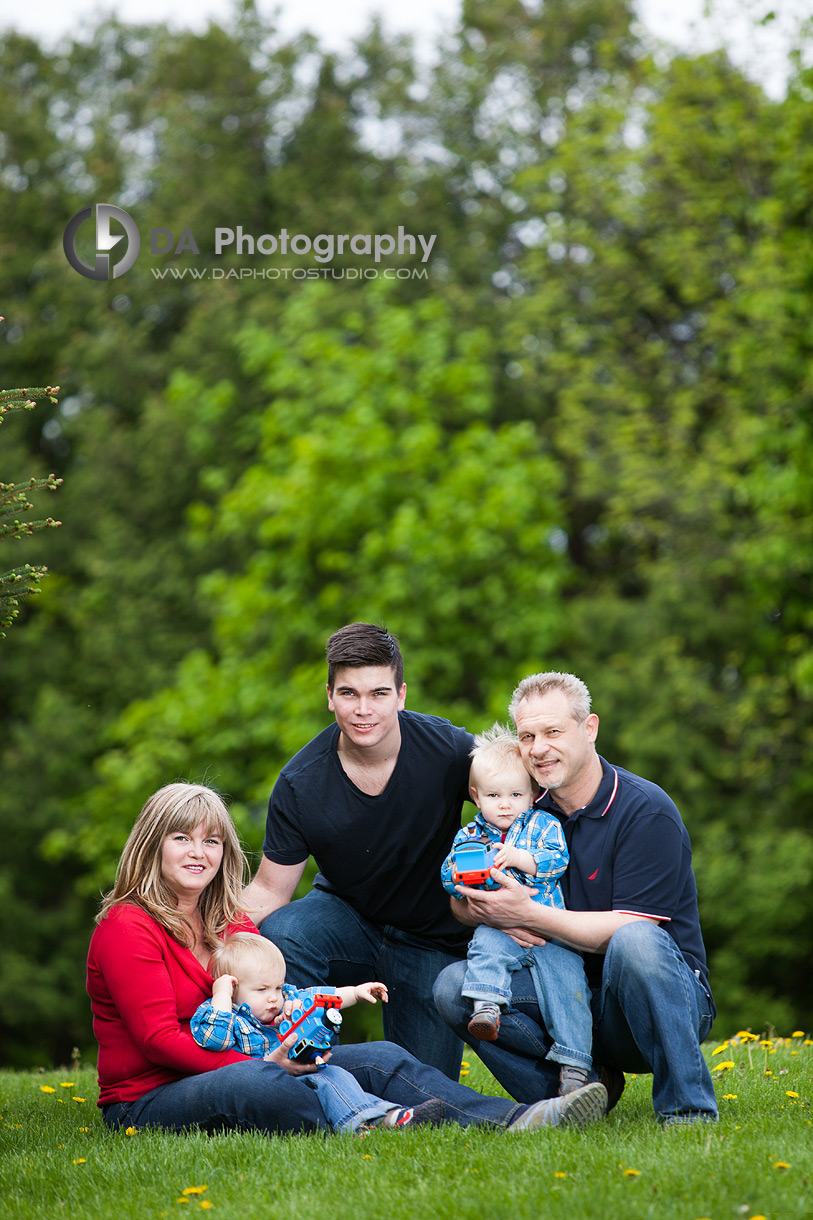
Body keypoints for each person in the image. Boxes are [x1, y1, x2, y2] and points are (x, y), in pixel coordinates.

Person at [87, 781, 609, 1136]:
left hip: (255, 1061)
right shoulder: (128, 927)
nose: (199, 852)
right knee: (261, 1083)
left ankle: (523, 1119)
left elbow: (279, 999)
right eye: (181, 839)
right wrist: (268, 1062)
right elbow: (159, 1041)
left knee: (381, 1054)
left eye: (212, 841)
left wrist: (301, 1030)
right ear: (153, 847)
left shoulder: (230, 922)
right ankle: (389, 1120)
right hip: (152, 1096)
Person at [433, 672, 718, 1128]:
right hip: (566, 996)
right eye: (527, 736)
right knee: (453, 987)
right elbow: (464, 898)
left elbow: (627, 930)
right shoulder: (521, 810)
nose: (539, 748)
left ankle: (688, 1110)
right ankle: (573, 1097)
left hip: (651, 1003)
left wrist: (530, 914)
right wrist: (483, 909)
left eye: (553, 732)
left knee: (636, 939)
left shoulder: (645, 810)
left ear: (589, 729)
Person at [243, 623, 476, 1078]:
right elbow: (269, 891)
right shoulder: (300, 783)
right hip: (347, 919)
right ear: (329, 695)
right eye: (349, 694)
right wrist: (193, 936)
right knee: (285, 928)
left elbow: (517, 796)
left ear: (401, 695)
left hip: (433, 938)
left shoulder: (447, 749)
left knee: (423, 1086)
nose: (364, 709)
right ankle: (288, 1069)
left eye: (379, 693)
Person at [440, 725, 593, 1096]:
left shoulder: (543, 824)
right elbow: (448, 874)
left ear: (533, 794)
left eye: (515, 794)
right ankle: (486, 1007)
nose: (505, 803)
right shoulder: (470, 836)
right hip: (500, 928)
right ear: (477, 797)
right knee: (484, 947)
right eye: (494, 795)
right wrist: (463, 876)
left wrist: (519, 858)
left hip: (551, 935)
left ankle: (576, 1067)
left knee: (568, 988)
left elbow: (557, 860)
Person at [191, 931, 432, 1134]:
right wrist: (220, 995)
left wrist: (357, 993)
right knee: (326, 1081)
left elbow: (322, 998)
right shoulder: (224, 1014)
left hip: (296, 1072)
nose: (274, 997)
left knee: (336, 1075)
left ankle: (389, 1114)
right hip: (261, 1090)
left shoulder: (286, 1001)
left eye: (277, 986)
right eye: (262, 989)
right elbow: (215, 1041)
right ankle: (360, 1126)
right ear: (233, 988)